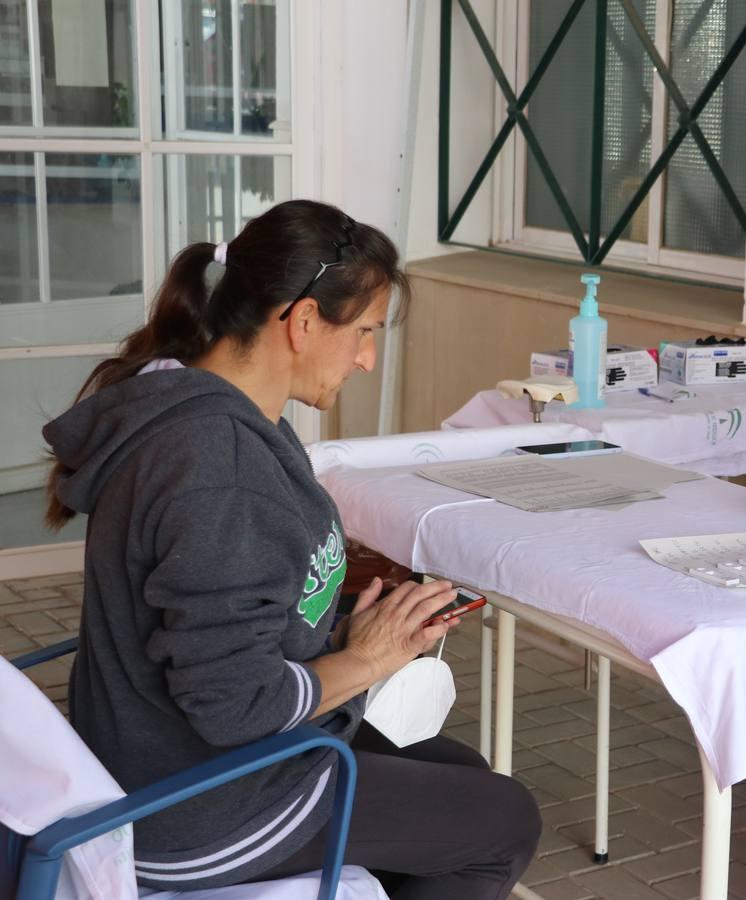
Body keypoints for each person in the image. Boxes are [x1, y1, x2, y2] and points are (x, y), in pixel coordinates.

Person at [43, 200, 541, 899]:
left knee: (464, 774)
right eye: (365, 331)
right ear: (303, 321)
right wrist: (365, 660)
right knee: (505, 822)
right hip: (196, 808)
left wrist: (345, 631)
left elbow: (227, 610)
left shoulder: (195, 402)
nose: (368, 359)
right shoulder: (218, 465)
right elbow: (233, 705)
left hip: (159, 758)